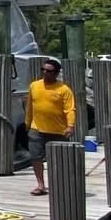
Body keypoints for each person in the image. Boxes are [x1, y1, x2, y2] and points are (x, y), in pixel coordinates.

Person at [25, 58, 76, 195]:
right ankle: (40, 185)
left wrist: (70, 126)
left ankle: (60, 184)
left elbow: (70, 109)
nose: (45, 73)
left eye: (49, 71)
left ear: (56, 73)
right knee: (36, 157)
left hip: (58, 131)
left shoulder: (64, 89)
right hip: (37, 128)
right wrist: (27, 122)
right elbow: (30, 106)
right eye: (43, 70)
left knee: (60, 160)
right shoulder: (34, 86)